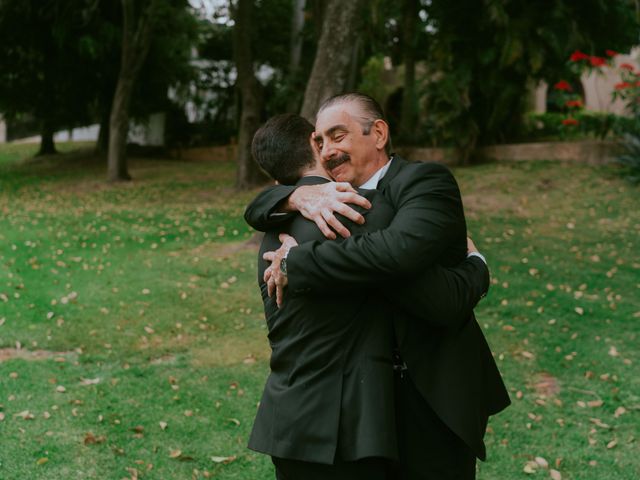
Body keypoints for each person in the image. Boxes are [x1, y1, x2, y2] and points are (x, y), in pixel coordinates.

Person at [245, 94, 510, 479]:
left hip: (430, 394)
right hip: (367, 408)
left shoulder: (422, 182)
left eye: (338, 136)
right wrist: (297, 195)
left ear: (379, 133)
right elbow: (259, 206)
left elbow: (399, 256)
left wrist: (296, 260)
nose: (329, 150)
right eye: (320, 142)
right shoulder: (317, 204)